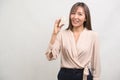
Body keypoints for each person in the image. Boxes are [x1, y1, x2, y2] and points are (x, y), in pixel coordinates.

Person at [45, 2, 100, 80]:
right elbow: (49, 57)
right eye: (73, 13)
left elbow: (96, 63)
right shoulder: (62, 34)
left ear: (86, 18)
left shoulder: (93, 35)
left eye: (80, 14)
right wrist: (54, 34)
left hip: (84, 76)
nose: (75, 17)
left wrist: (97, 78)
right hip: (65, 76)